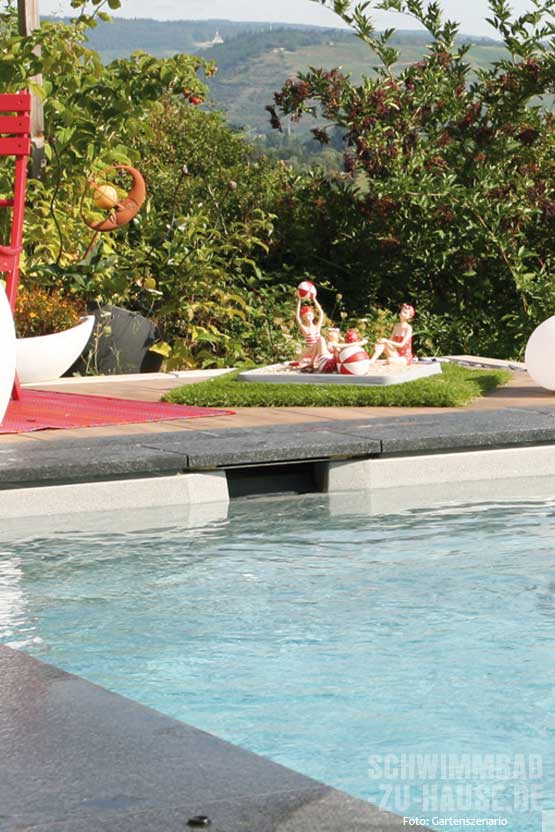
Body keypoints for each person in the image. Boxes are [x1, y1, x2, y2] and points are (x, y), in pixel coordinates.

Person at [290, 297, 325, 368]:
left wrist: (314, 299)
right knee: (317, 342)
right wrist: (299, 301)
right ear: (303, 318)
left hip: (318, 350)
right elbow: (297, 317)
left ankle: (301, 361)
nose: (308, 317)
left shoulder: (317, 327)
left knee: (323, 341)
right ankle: (304, 361)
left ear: (313, 316)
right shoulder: (305, 329)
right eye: (306, 315)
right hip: (310, 351)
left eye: (309, 315)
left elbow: (321, 313)